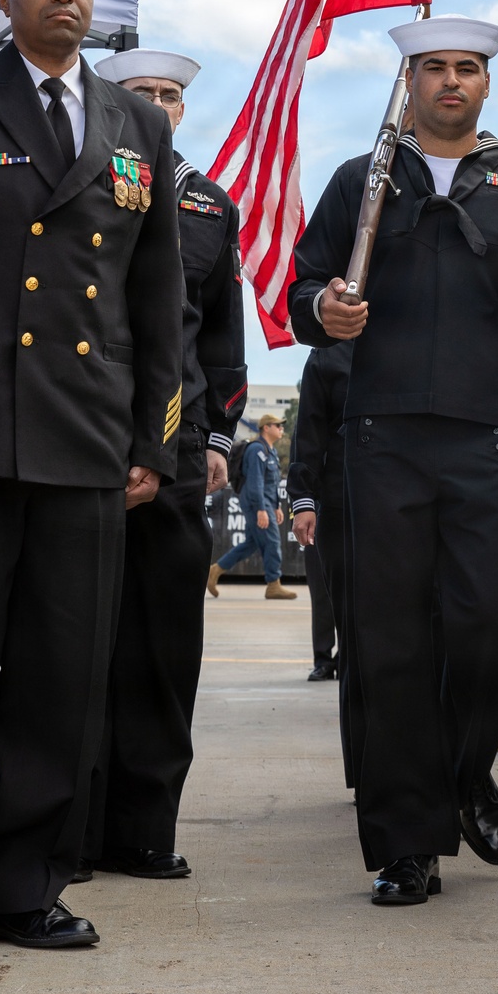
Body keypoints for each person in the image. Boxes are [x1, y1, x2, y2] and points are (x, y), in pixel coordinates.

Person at [288, 13, 498, 907]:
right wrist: (325, 312)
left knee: (491, 621)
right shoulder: (363, 181)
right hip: (380, 441)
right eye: (433, 69)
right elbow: (304, 285)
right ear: (409, 82)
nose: (450, 82)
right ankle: (406, 846)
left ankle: (466, 771)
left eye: (466, 68)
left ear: (486, 84)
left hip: (488, 443)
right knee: (387, 645)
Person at [0, 0, 183, 960]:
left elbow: (157, 297)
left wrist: (149, 440)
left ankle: (26, 886)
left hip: (84, 441)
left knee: (59, 678)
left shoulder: (137, 126)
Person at [80, 48, 248, 882]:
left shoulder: (210, 204)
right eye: (140, 92)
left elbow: (221, 338)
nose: (157, 103)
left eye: (170, 94)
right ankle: (67, 829)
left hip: (176, 450)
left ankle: (145, 828)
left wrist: (219, 437)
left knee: (162, 646)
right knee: (71, 642)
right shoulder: (81, 178)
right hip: (80, 435)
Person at [289, 342, 352, 689]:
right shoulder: (328, 354)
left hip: (393, 498)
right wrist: (304, 499)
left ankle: (349, 657)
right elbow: (308, 431)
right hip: (334, 498)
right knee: (327, 589)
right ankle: (323, 657)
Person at [208, 417, 296, 599]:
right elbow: (255, 482)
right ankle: (274, 584)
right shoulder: (257, 450)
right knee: (272, 542)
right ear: (266, 428)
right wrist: (261, 509)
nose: (281, 429)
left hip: (265, 503)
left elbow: (271, 483)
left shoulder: (270, 451)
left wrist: (276, 506)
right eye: (278, 425)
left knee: (251, 543)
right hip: (257, 503)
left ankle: (215, 570)